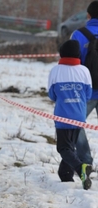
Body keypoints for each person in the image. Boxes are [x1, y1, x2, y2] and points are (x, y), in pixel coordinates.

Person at [48, 39, 92, 190]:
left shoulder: (55, 71)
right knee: (70, 147)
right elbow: (88, 94)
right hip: (80, 115)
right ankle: (65, 175)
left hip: (62, 116)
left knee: (63, 148)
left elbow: (52, 95)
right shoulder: (84, 70)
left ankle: (81, 169)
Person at [70, 1, 98, 170]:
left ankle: (85, 161)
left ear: (88, 16)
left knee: (73, 124)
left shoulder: (79, 35)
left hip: (85, 92)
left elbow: (71, 65)